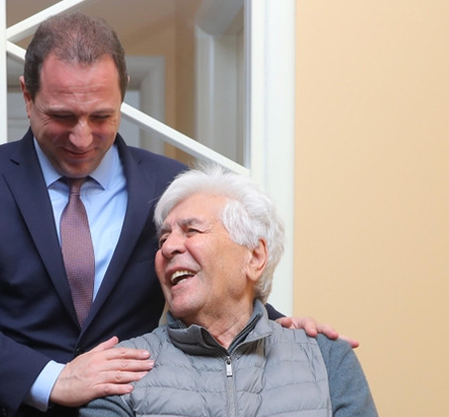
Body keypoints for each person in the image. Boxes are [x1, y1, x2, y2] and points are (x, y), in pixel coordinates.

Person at [0, 12, 349, 417]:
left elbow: (209, 276)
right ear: (28, 97)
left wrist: (281, 328)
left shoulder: (170, 184)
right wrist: (52, 379)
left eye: (101, 116)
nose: (82, 138)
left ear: (122, 94)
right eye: (62, 116)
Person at [79, 164, 378, 417]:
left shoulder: (328, 358)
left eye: (192, 230)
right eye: (163, 239)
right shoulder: (118, 370)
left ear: (255, 257)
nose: (168, 248)